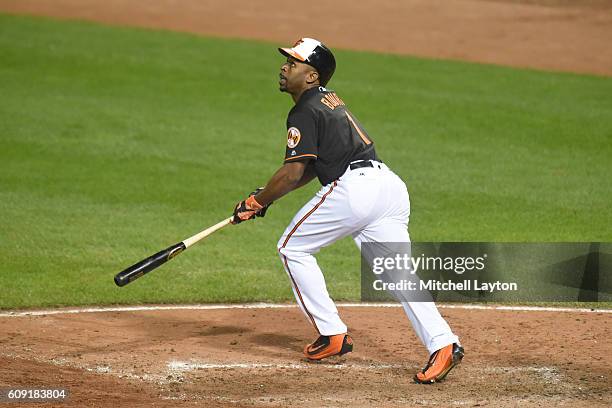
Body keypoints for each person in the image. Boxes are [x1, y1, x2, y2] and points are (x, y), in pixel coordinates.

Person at [231, 38, 464, 384]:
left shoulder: (304, 109)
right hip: (389, 187)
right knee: (397, 274)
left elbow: (294, 171)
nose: (284, 68)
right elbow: (309, 167)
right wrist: (265, 198)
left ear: (311, 76)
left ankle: (332, 335)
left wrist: (257, 202)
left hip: (357, 190)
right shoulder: (328, 101)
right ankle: (444, 343)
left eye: (293, 64)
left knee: (291, 248)